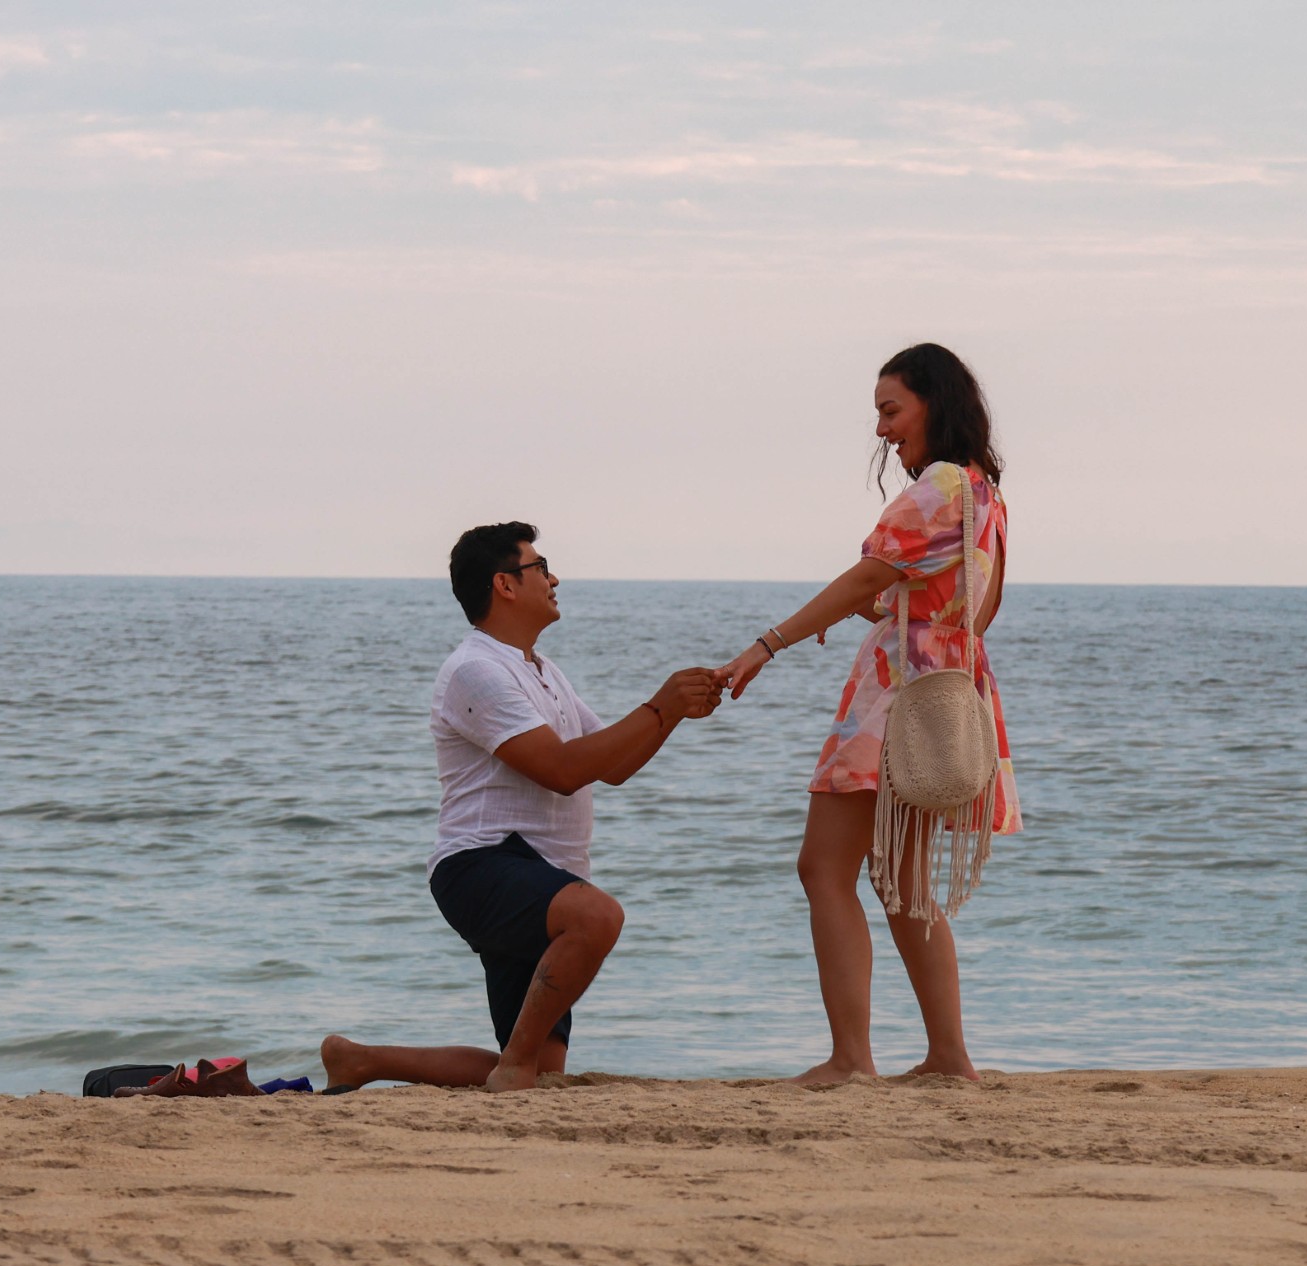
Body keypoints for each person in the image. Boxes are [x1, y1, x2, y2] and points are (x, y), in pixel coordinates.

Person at [322, 522, 724, 1093]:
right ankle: (509, 1069)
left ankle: (362, 1060)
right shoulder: (476, 670)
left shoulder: (541, 669)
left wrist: (676, 712)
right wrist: (659, 704)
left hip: (542, 875)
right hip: (483, 865)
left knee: (537, 1069)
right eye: (541, 567)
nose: (554, 578)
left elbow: (611, 765)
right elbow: (561, 772)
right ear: (505, 585)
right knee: (598, 917)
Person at [717, 343, 1023, 1084]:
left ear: (932, 403)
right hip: (951, 686)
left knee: (824, 868)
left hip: (894, 699)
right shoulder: (986, 493)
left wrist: (767, 644)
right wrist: (892, 612)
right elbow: (981, 610)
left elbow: (865, 575)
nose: (883, 430)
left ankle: (851, 1058)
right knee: (905, 879)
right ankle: (949, 1058)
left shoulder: (935, 487)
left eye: (892, 411)